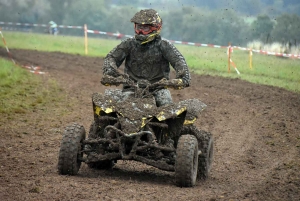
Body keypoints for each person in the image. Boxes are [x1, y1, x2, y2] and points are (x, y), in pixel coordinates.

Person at [102, 9, 191, 107]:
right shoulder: (129, 43)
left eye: (145, 28)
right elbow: (111, 57)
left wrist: (182, 78)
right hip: (131, 89)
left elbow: (178, 60)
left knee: (167, 105)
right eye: (139, 27)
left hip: (158, 90)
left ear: (156, 28)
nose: (140, 32)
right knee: (110, 106)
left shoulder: (164, 45)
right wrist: (110, 70)